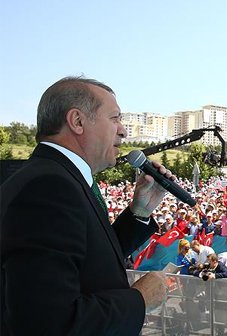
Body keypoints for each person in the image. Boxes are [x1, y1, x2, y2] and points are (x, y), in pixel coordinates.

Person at [0, 77, 169, 335]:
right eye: (114, 118)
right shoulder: (49, 187)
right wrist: (139, 299)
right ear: (77, 121)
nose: (123, 130)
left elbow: (86, 261)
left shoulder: (57, 177)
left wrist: (140, 212)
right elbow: (50, 322)